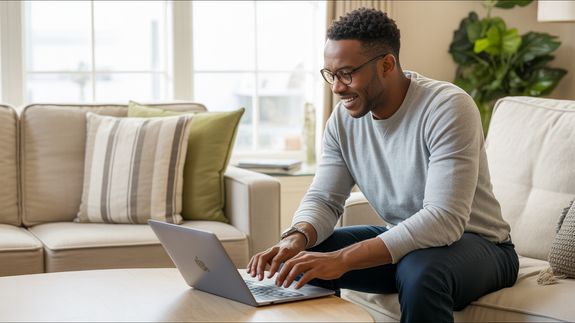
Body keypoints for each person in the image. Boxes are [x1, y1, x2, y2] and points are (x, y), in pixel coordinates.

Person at [247, 7, 519, 322]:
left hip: (480, 245)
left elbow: (444, 219)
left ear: (387, 64)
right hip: (406, 241)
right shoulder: (342, 122)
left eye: (347, 73)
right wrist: (295, 237)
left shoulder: (447, 107)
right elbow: (324, 198)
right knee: (303, 258)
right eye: (331, 75)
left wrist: (345, 259)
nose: (336, 88)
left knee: (421, 272)